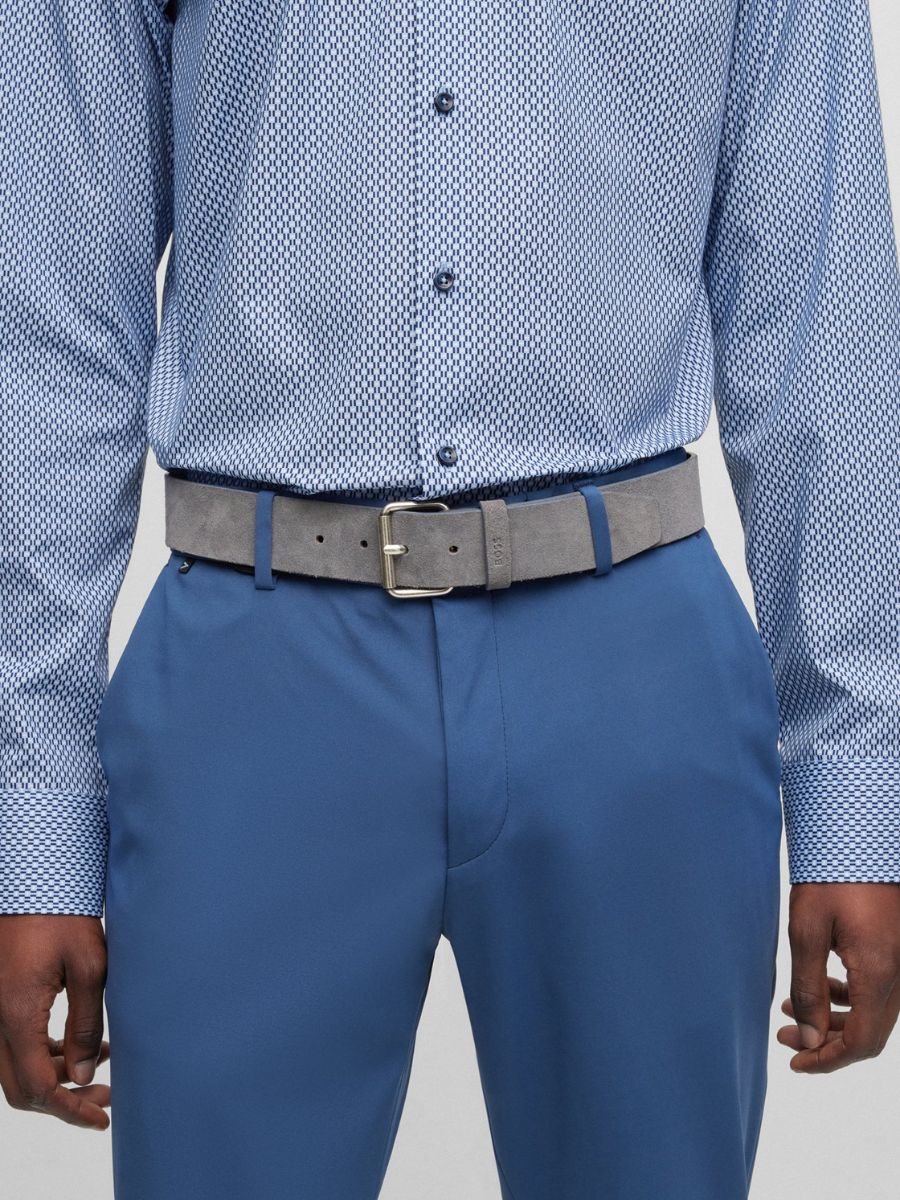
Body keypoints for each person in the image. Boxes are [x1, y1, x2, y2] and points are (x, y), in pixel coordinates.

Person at [1, 0, 899, 1196]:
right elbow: (56, 323)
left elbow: (820, 317)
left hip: (635, 671)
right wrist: (37, 828)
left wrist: (855, 791)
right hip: (253, 681)